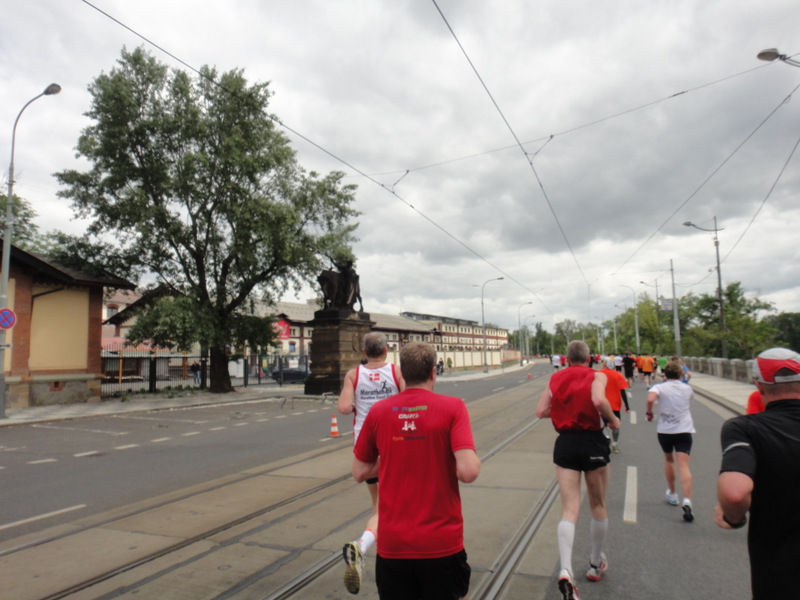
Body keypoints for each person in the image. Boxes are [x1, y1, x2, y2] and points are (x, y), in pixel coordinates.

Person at [352, 342, 481, 600]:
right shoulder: (453, 407)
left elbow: (359, 471)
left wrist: (395, 454)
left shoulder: (378, 412)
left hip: (393, 547)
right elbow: (468, 472)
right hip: (441, 544)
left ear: (402, 374)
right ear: (433, 373)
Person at [536, 340, 620, 600]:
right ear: (589, 358)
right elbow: (597, 399)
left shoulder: (555, 378)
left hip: (566, 443)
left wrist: (563, 410)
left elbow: (541, 411)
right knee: (598, 504)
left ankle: (565, 570)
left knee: (569, 508)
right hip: (592, 441)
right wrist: (612, 419)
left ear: (567, 359)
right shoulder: (597, 375)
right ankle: (595, 565)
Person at [715, 348, 800, 599]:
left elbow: (734, 494)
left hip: (781, 574)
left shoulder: (745, 429)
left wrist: (733, 518)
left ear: (758, 385)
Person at [338, 332, 406, 594]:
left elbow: (344, 408)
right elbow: (408, 397)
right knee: (399, 501)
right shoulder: (395, 371)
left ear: (364, 353)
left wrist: (358, 400)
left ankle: (364, 546)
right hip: (395, 443)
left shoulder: (354, 375)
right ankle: (379, 549)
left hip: (367, 448)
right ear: (386, 351)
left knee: (379, 506)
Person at [646, 360, 696, 522]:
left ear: (665, 374)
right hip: (684, 430)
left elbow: (650, 398)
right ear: (681, 374)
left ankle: (673, 494)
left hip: (665, 430)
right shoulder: (687, 389)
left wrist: (649, 412)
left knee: (669, 460)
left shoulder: (660, 387)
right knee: (684, 465)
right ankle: (687, 499)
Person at [599, 364, 629, 453]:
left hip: (602, 404)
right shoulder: (618, 375)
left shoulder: (599, 374)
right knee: (616, 426)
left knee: (603, 425)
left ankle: (607, 438)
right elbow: (623, 391)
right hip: (615, 405)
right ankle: (615, 444)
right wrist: (627, 405)